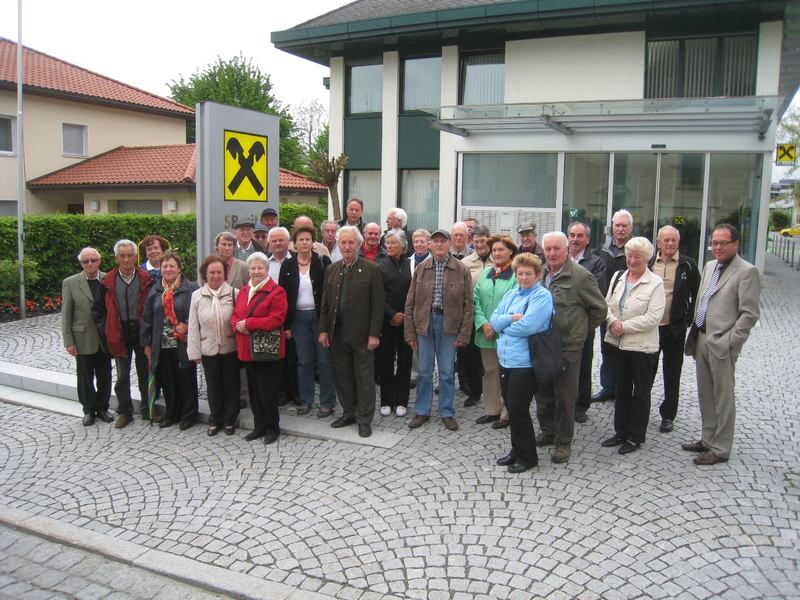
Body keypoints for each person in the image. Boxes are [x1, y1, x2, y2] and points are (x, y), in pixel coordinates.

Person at [683, 224, 760, 466]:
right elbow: (702, 301)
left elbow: (750, 314)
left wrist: (730, 342)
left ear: (736, 244)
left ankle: (721, 448)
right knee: (706, 393)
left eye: (722, 243)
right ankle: (708, 439)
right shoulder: (709, 266)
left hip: (722, 343)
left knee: (723, 397)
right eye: (714, 243)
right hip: (702, 339)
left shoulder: (747, 272)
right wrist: (696, 337)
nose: (717, 247)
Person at [535, 232, 607, 464]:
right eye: (548, 249)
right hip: (543, 342)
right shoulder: (542, 273)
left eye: (556, 248)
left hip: (568, 345)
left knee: (565, 395)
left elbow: (599, 309)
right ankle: (548, 430)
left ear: (566, 249)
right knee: (543, 391)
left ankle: (563, 441)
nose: (552, 253)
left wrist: (580, 331)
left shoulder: (580, 276)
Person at [600, 237, 665, 455]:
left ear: (647, 258)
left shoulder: (655, 283)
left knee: (641, 393)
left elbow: (653, 317)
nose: (633, 260)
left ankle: (635, 437)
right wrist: (612, 321)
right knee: (622, 389)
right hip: (618, 344)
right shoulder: (619, 277)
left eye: (638, 256)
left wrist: (623, 326)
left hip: (642, 347)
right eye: (629, 255)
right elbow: (606, 304)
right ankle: (620, 432)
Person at [319, 226, 385, 438]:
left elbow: (378, 304)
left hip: (362, 334)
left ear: (358, 244)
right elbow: (325, 303)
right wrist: (323, 330)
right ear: (338, 244)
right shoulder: (332, 269)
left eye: (351, 242)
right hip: (337, 332)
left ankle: (364, 419)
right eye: (343, 242)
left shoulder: (372, 269)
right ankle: (348, 412)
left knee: (364, 377)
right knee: (343, 375)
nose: (347, 246)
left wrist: (374, 333)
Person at [405, 229, 473, 432]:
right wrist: (410, 333)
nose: (439, 244)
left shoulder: (461, 269)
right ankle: (422, 411)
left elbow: (468, 305)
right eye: (435, 241)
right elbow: (410, 303)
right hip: (424, 324)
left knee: (446, 372)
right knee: (424, 372)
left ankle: (447, 411)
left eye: (443, 241)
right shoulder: (421, 268)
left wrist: (464, 334)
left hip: (449, 325)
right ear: (430, 245)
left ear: (450, 244)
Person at [490, 253, 553, 474]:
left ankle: (528, 457)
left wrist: (504, 325)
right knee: (511, 406)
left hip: (525, 363)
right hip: (506, 360)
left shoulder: (542, 296)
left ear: (538, 275)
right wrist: (510, 318)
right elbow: (494, 319)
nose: (524, 277)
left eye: (528, 273)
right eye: (520, 273)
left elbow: (528, 326)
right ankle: (516, 450)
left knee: (518, 409)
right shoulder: (511, 294)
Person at [92, 239, 155, 428]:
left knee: (145, 372)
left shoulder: (147, 279)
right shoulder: (107, 282)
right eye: (122, 256)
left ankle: (148, 409)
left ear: (135, 257)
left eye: (130, 256)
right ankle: (125, 411)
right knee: (122, 375)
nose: (126, 259)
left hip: (141, 332)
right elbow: (98, 310)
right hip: (118, 333)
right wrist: (106, 329)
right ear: (116, 258)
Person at [279, 224, 337, 418]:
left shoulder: (323, 261)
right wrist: (286, 325)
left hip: (320, 318)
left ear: (313, 242)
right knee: (303, 361)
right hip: (298, 319)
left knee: (325, 360)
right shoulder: (287, 265)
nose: (304, 243)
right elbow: (283, 297)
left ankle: (327, 402)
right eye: (300, 239)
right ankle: (306, 400)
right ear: (294, 243)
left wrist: (328, 322)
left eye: (308, 239)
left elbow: (331, 292)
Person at [231, 252, 289, 444]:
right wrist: (237, 325)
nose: (256, 271)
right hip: (248, 348)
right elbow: (235, 315)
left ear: (267, 270)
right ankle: (259, 426)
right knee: (254, 391)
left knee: (267, 391)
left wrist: (249, 324)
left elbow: (276, 320)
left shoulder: (277, 291)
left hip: (267, 350)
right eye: (253, 268)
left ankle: (272, 427)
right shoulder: (244, 291)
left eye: (260, 268)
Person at [648, 225, 700, 434]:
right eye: (666, 240)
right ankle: (641, 410)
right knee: (646, 373)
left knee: (672, 373)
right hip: (651, 329)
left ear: (678, 242)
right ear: (658, 243)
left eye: (673, 240)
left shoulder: (688, 265)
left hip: (675, 329)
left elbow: (698, 294)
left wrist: (687, 319)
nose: (670, 243)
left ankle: (668, 415)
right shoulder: (649, 263)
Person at [140, 252, 199, 430]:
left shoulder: (190, 288)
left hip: (183, 342)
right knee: (168, 381)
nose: (168, 269)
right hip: (162, 344)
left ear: (179, 268)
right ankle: (172, 413)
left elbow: (199, 313)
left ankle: (189, 415)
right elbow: (147, 318)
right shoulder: (156, 290)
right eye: (165, 266)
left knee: (186, 379)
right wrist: (147, 344)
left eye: (172, 266)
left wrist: (187, 324)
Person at [187, 254, 240, 436]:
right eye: (212, 272)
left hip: (230, 347)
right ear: (205, 274)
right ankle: (215, 419)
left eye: (219, 272)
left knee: (231, 385)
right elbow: (193, 326)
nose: (216, 276)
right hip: (208, 348)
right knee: (213, 385)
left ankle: (230, 420)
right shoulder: (197, 296)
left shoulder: (234, 293)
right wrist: (194, 352)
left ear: (225, 274)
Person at [62, 247, 112, 426]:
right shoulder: (70, 283)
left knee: (105, 375)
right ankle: (89, 410)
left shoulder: (109, 279)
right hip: (82, 338)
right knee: (85, 377)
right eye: (85, 261)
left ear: (99, 261)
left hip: (104, 338)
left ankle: (103, 407)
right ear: (81, 263)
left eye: (93, 260)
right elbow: (66, 314)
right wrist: (69, 341)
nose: (90, 264)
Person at [472, 235, 518, 429]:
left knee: (508, 374)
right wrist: (484, 324)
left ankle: (508, 413)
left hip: (506, 335)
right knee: (490, 372)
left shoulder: (517, 275)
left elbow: (516, 305)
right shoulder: (487, 273)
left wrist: (495, 326)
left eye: (501, 250)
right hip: (486, 334)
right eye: (494, 250)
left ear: (511, 251)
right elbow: (475, 299)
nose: (497, 253)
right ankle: (492, 410)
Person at [568, 222, 607, 424]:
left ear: (588, 239)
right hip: (560, 324)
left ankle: (580, 406)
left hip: (582, 325)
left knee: (583, 367)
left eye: (580, 235)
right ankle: (563, 403)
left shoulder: (596, 262)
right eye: (572, 235)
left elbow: (596, 294)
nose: (575, 239)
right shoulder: (560, 257)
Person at [593, 209, 634, 403]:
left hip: (630, 311)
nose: (620, 229)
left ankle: (624, 389)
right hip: (606, 309)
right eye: (617, 225)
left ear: (631, 228)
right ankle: (608, 388)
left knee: (627, 352)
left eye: (624, 225)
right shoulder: (602, 251)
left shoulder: (635, 251)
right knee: (607, 349)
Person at [377, 230, 413, 417]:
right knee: (386, 360)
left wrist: (405, 314)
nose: (389, 246)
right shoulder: (380, 266)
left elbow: (414, 292)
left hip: (407, 320)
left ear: (403, 245)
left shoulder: (411, 265)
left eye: (393, 243)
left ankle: (401, 400)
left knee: (405, 361)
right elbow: (377, 294)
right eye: (387, 243)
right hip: (386, 320)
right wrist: (392, 314)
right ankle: (386, 400)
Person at [267, 226, 297, 405]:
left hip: (293, 315)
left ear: (288, 242)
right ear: (269, 243)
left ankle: (297, 390)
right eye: (274, 241)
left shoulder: (297, 260)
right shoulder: (264, 262)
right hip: (271, 316)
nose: (278, 243)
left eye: (281, 240)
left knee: (296, 355)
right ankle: (283, 390)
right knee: (278, 356)